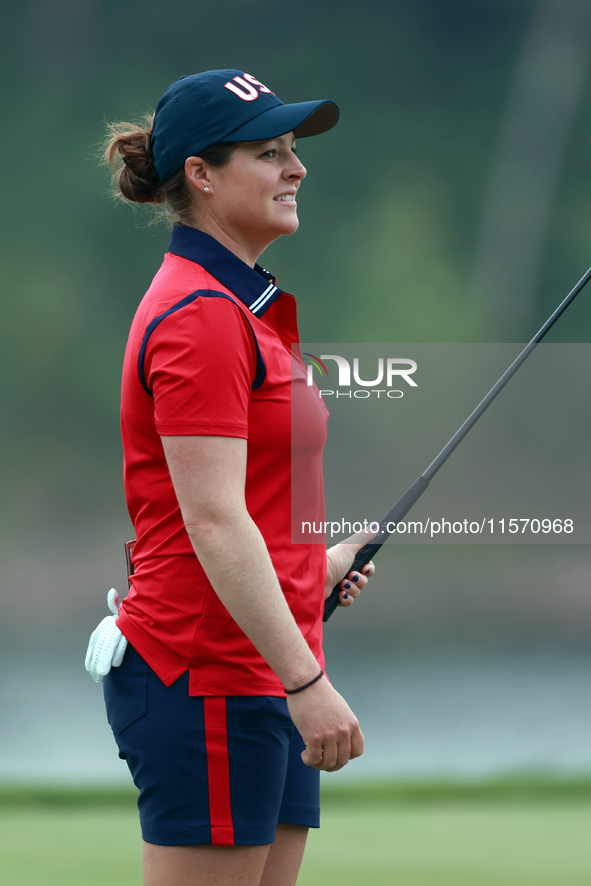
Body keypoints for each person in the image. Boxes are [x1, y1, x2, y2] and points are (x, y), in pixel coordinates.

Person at [85, 69, 375, 886]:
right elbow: (211, 523)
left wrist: (308, 573)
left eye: (293, 151)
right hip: (210, 674)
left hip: (256, 667)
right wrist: (307, 681)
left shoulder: (239, 307)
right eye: (268, 152)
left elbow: (240, 511)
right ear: (200, 175)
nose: (296, 168)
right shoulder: (202, 315)